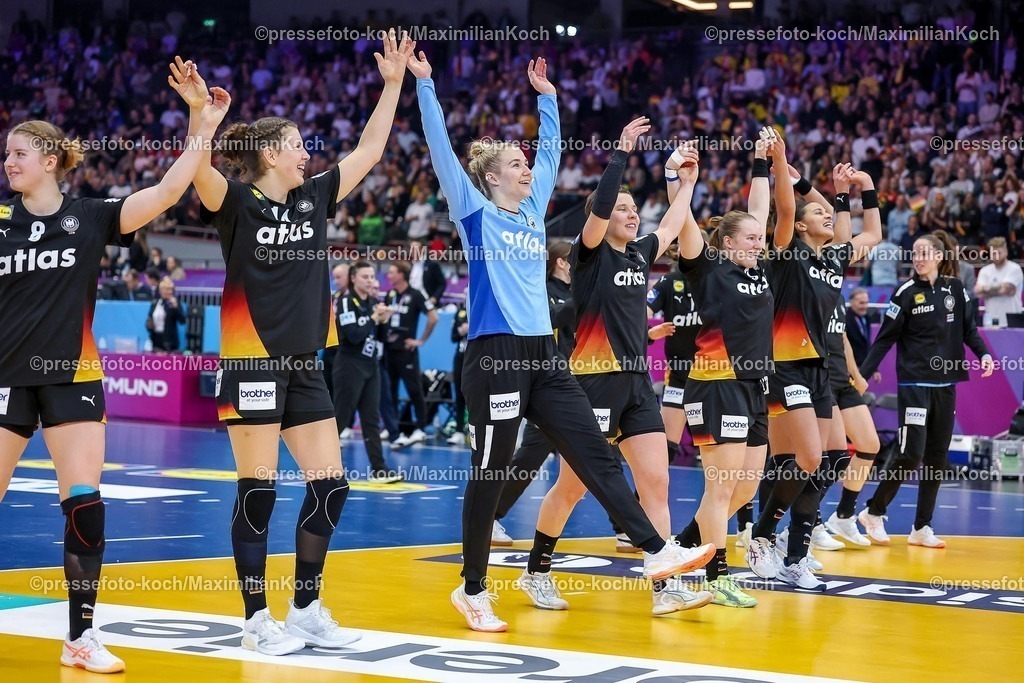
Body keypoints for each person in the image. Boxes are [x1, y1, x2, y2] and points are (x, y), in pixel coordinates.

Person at [412, 50, 709, 632]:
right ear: (491, 177)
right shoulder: (473, 209)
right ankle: (472, 589)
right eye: (516, 166)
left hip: (544, 355)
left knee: (594, 451)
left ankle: (656, 549)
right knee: (492, 470)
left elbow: (551, 149)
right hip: (495, 354)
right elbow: (439, 146)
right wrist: (425, 86)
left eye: (527, 165)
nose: (529, 170)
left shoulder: (531, 213)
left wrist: (548, 98)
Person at [187, 34, 413, 655]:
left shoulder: (315, 199)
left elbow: (371, 147)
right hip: (251, 359)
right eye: (294, 145)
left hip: (306, 362)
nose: (305, 152)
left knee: (330, 484)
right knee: (258, 489)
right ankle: (256, 618)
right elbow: (197, 170)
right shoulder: (234, 202)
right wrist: (201, 119)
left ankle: (306, 606)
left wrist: (393, 83)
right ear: (268, 156)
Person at [0, 57, 224, 673]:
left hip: (73, 378)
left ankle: (80, 636)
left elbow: (170, 191)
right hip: (5, 381)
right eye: (6, 155)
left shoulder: (92, 217)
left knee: (86, 503)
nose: (9, 163)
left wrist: (201, 121)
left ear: (50, 161)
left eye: (20, 153)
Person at [521, 125, 715, 616]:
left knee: (657, 481)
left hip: (635, 385)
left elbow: (671, 227)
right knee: (573, 486)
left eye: (635, 211)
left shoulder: (638, 254)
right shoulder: (587, 255)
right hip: (590, 383)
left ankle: (664, 587)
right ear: (602, 218)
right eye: (623, 211)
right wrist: (622, 152)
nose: (632, 216)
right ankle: (536, 572)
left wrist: (686, 182)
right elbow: (604, 206)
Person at [745, 157, 881, 590]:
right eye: (817, 212)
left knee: (822, 463)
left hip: (821, 371)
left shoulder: (834, 258)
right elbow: (787, 210)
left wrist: (866, 188)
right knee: (808, 458)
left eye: (829, 211)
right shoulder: (789, 253)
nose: (825, 211)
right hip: (785, 366)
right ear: (801, 228)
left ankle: (796, 557)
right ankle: (762, 536)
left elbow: (873, 233)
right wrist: (780, 164)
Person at [670, 132, 779, 608]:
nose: (760, 243)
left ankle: (681, 548)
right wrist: (679, 177)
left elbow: (760, 208)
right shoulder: (707, 267)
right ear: (727, 242)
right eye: (752, 239)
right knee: (721, 490)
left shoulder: (759, 270)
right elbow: (684, 222)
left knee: (745, 489)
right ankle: (716, 577)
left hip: (755, 389)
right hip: (716, 385)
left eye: (762, 237)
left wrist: (761, 162)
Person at [858, 231, 994, 547]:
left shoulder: (956, 290)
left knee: (936, 456)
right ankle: (873, 512)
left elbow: (969, 331)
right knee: (911, 452)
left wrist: (984, 354)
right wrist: (864, 373)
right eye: (914, 254)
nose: (918, 259)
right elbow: (885, 339)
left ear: (938, 256)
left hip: (947, 384)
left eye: (923, 253)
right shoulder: (904, 293)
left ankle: (921, 528)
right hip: (915, 385)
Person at [490, 241, 575, 544]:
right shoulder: (541, 290)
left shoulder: (575, 292)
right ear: (562, 263)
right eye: (573, 258)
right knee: (530, 456)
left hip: (580, 381)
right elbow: (552, 319)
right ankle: (491, 517)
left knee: (601, 454)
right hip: (547, 383)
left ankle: (622, 528)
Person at [333, 260, 402, 483]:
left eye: (372, 277)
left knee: (371, 418)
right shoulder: (345, 302)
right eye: (365, 277)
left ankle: (379, 469)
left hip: (370, 364)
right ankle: (322, 466)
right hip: (349, 364)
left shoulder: (373, 301)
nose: (370, 281)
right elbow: (353, 334)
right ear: (353, 278)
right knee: (341, 416)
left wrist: (384, 321)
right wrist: (374, 318)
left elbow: (380, 337)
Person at [383, 261, 439, 448]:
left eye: (391, 272)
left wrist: (420, 341)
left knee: (414, 389)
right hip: (389, 350)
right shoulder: (390, 295)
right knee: (389, 391)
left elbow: (434, 317)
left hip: (407, 351)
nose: (388, 276)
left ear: (401, 274)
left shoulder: (416, 294)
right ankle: (392, 427)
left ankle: (420, 428)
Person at [974, 237, 1023, 327]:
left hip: (1011, 321)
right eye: (993, 253)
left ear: (1006, 252)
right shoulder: (984, 271)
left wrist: (986, 290)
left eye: (999, 253)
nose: (996, 256)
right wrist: (1000, 289)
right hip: (990, 320)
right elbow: (978, 293)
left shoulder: (1014, 268)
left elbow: (1006, 290)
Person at [447, 301, 469, 446]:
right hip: (460, 357)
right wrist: (461, 331)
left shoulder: (484, 309)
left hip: (479, 358)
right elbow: (453, 337)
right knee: (459, 394)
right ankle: (459, 430)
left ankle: (476, 431)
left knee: (479, 397)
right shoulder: (460, 312)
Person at [146, 277, 187, 352]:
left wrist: (175, 307)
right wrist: (149, 325)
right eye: (167, 289)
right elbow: (149, 318)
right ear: (161, 291)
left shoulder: (175, 303)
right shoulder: (155, 303)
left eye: (171, 289)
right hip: (156, 339)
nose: (170, 292)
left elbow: (182, 320)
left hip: (170, 341)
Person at [408, 238, 446, 306]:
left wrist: (435, 297)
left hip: (426, 299)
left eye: (415, 248)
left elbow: (441, 284)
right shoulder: (409, 265)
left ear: (422, 249)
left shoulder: (432, 265)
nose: (413, 251)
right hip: (411, 299)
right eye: (411, 248)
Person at [845, 288, 873, 366]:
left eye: (866, 303)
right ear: (851, 302)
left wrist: (873, 368)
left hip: (864, 366)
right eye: (861, 303)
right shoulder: (845, 319)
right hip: (850, 367)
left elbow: (866, 344)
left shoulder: (867, 318)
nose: (865, 306)